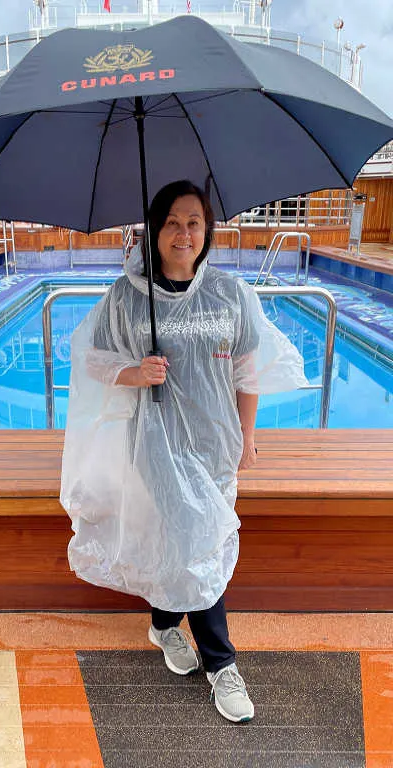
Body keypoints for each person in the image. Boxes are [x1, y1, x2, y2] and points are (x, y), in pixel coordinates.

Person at [61, 180, 308, 723]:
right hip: (156, 441)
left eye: (194, 221)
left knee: (188, 536)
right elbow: (93, 360)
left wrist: (245, 436)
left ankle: (164, 623)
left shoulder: (229, 293)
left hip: (215, 442)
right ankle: (222, 664)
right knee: (197, 539)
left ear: (207, 230)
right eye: (172, 221)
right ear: (155, 229)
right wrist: (135, 371)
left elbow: (248, 371)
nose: (184, 232)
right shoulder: (129, 297)